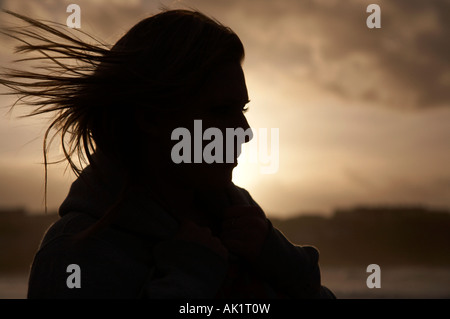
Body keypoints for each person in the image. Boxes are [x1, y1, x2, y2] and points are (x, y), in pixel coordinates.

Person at [0, 9, 335, 299]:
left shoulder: (242, 220)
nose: (245, 132)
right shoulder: (76, 256)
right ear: (151, 118)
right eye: (221, 110)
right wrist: (189, 277)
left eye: (243, 109)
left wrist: (281, 260)